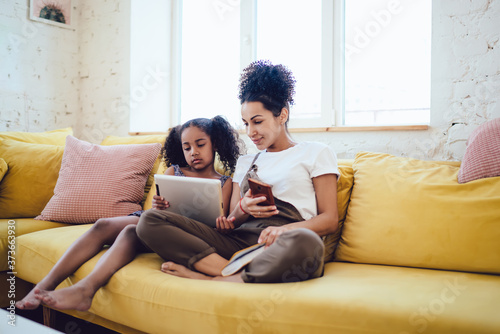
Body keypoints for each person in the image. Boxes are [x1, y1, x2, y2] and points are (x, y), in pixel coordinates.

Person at [137, 60, 340, 283]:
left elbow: (329, 220)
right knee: (149, 220)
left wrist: (285, 230)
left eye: (257, 121)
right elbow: (231, 221)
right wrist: (242, 208)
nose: (251, 132)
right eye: (245, 123)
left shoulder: (316, 153)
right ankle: (230, 272)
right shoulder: (245, 162)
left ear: (282, 115)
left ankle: (212, 278)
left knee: (308, 243)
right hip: (238, 244)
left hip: (282, 243)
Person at [15, 116, 243, 311]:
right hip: (154, 223)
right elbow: (155, 212)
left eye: (200, 144)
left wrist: (224, 223)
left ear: (215, 144)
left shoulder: (225, 183)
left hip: (180, 233)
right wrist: (159, 205)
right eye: (187, 147)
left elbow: (215, 221)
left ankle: (83, 290)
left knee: (131, 232)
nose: (193, 152)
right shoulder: (174, 170)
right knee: (107, 226)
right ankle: (46, 288)